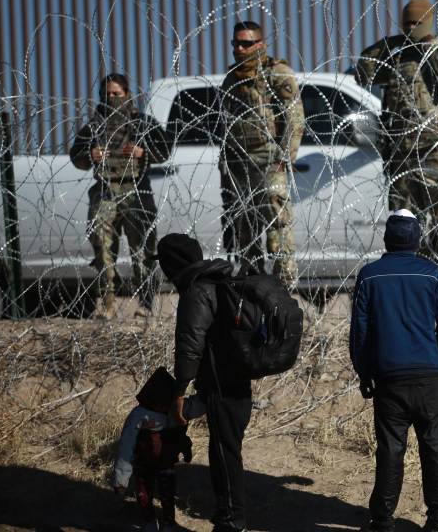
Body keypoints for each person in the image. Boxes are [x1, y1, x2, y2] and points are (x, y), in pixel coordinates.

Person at [354, 0, 438, 312]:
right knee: (406, 227)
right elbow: (362, 72)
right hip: (402, 154)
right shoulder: (394, 55)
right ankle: (415, 290)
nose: (411, 29)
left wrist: (430, 47)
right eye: (406, 24)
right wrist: (397, 43)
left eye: (417, 24)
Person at [350, 209, 438, 532]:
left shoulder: (370, 276)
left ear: (386, 238)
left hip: (388, 378)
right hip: (428, 376)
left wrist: (364, 372)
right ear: (417, 238)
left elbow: (359, 334)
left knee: (390, 448)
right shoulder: (431, 274)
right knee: (434, 446)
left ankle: (382, 519)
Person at [153, 233, 250, 532]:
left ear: (173, 265)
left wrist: (180, 390)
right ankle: (229, 516)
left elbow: (190, 347)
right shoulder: (217, 281)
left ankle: (231, 521)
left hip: (222, 386)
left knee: (224, 453)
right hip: (235, 381)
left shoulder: (196, 292)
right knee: (226, 449)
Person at [69, 73, 170, 319]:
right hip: (105, 191)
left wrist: (142, 152)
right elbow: (77, 156)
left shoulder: (141, 123)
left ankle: (145, 304)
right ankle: (108, 303)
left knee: (143, 251)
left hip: (136, 191)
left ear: (127, 94)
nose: (111, 98)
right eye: (107, 94)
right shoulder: (94, 127)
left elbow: (164, 149)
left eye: (117, 94)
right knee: (103, 250)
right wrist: (90, 155)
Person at [218, 21, 305, 289]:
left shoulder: (276, 73)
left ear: (260, 44)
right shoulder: (232, 79)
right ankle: (252, 285)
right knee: (244, 230)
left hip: (270, 161)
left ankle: (284, 287)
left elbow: (295, 118)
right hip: (239, 164)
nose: (239, 49)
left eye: (246, 43)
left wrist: (284, 158)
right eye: (236, 44)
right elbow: (224, 123)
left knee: (278, 224)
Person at [113, 367, 204, 532]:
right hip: (143, 463)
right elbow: (126, 447)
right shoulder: (138, 416)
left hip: (166, 463)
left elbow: (180, 434)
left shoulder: (173, 411)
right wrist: (121, 479)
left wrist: (186, 449)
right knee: (143, 494)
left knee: (168, 495)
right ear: (157, 402)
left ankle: (168, 523)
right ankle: (149, 522)